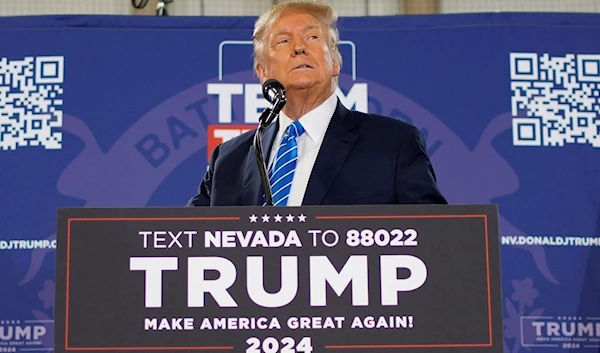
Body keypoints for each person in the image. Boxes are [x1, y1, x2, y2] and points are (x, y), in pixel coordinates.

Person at [187, 0, 446, 207]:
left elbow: (435, 237)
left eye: (312, 38)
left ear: (335, 63)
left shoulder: (393, 144)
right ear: (262, 71)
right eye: (283, 41)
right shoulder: (230, 159)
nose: (299, 47)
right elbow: (186, 238)